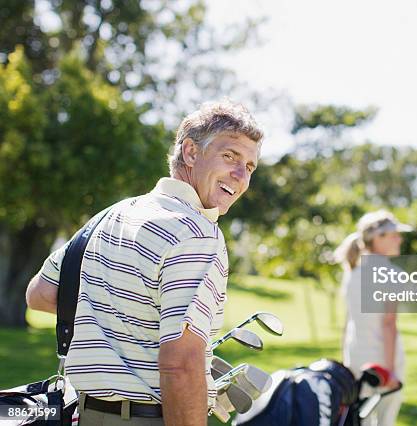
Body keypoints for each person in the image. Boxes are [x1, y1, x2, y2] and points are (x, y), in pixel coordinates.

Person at [25, 100, 264, 426]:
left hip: (86, 416)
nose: (240, 176)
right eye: (230, 157)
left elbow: (40, 293)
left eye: (250, 166)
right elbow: (180, 366)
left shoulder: (113, 215)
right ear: (191, 152)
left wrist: (130, 325)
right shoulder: (197, 234)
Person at [334, 210, 412, 426]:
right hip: (384, 359)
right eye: (394, 234)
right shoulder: (390, 273)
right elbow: (388, 324)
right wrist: (391, 372)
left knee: (359, 419)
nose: (400, 239)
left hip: (355, 357)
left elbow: (348, 322)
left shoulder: (352, 272)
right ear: (378, 238)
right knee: (385, 421)